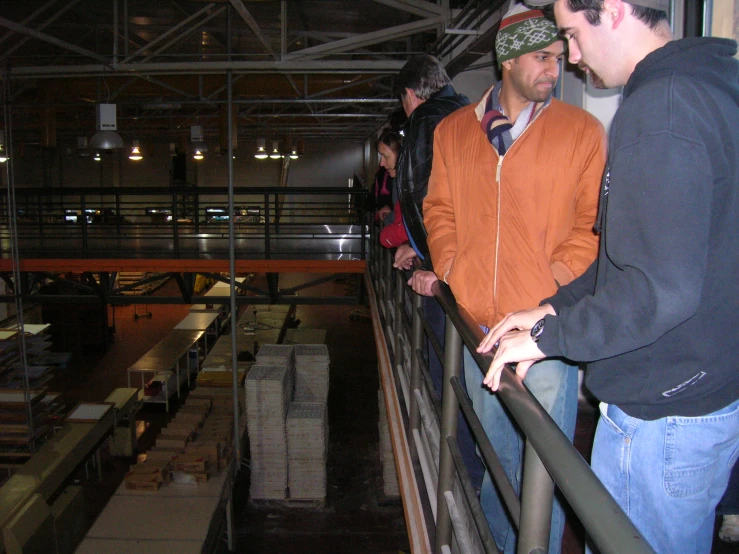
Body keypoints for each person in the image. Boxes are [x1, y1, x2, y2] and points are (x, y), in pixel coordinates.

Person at [478, 0, 739, 552]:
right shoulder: (712, 86)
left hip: (660, 410)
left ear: (614, 11)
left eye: (572, 34)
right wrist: (551, 308)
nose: (571, 57)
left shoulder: (661, 108)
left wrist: (551, 337)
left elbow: (657, 286)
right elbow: (636, 254)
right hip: (707, 388)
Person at [422, 5, 607, 553]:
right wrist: (455, 269)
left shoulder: (582, 131)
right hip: (481, 326)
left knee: (541, 473)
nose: (557, 68)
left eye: (558, 56)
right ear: (506, 59)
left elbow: (590, 227)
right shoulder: (454, 132)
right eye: (542, 57)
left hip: (543, 337)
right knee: (499, 455)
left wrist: (550, 285)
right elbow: (439, 210)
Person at [388, 55, 485, 490]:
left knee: (452, 373)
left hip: (450, 276)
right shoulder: (464, 114)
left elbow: (434, 201)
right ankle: (465, 463)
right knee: (458, 374)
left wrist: (434, 264)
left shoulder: (428, 123)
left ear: (410, 94)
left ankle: (461, 473)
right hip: (457, 265)